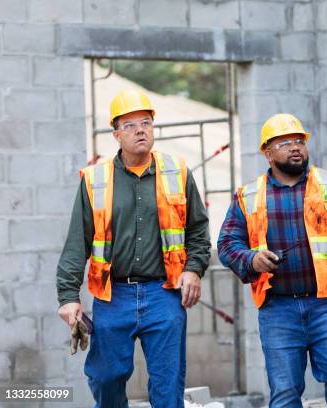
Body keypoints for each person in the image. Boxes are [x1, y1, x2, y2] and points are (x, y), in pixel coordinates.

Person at [56, 89, 211, 407]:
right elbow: (77, 243)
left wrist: (194, 270)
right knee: (105, 377)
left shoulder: (177, 172)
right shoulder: (95, 180)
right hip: (114, 297)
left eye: (146, 122)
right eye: (129, 125)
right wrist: (69, 297)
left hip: (164, 294)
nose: (140, 129)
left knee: (168, 385)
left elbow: (198, 230)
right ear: (115, 134)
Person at [218, 113, 327, 408]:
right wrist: (251, 260)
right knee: (285, 391)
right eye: (285, 143)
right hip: (278, 309)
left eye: (299, 141)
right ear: (268, 153)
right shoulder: (248, 195)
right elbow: (226, 243)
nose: (295, 147)